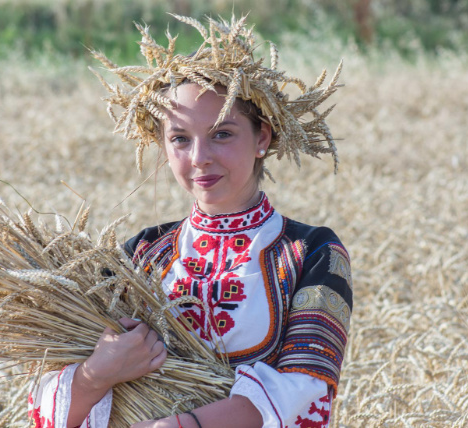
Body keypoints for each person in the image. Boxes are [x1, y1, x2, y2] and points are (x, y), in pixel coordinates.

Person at [28, 13, 352, 428]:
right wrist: (96, 374)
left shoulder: (312, 253)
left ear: (263, 138)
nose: (199, 157)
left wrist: (179, 427)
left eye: (222, 133)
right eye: (180, 138)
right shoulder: (138, 256)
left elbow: (306, 390)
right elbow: (48, 412)